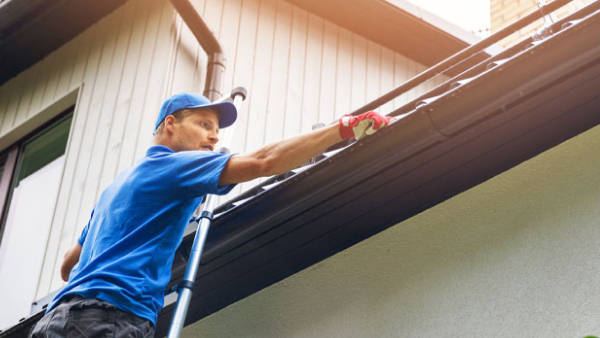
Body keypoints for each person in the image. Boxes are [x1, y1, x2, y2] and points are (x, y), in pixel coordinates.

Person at [29, 92, 391, 338]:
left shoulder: (115, 188)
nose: (214, 138)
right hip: (108, 321)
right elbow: (264, 161)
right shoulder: (175, 167)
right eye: (204, 125)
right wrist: (341, 128)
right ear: (170, 123)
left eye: (217, 132)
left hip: (56, 321)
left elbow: (67, 266)